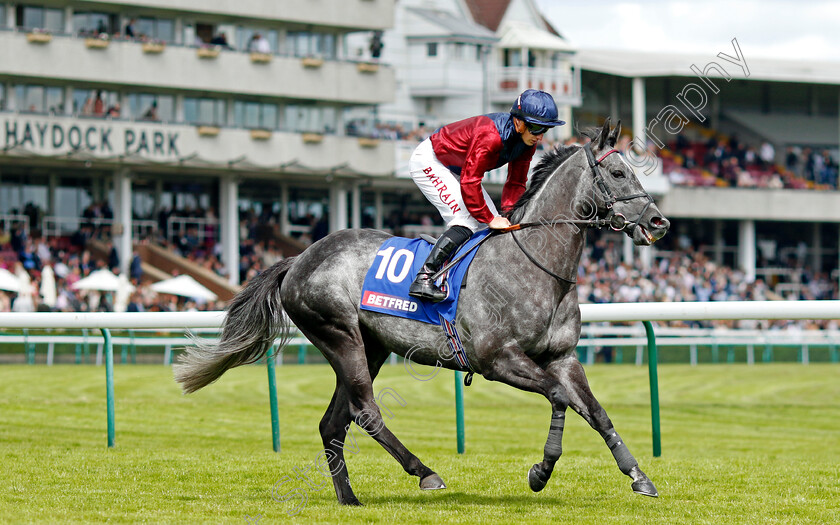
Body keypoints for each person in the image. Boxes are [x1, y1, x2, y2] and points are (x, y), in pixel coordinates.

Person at [407, 89, 565, 302]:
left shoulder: (527, 143)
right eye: (536, 127)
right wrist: (490, 218)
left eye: (545, 128)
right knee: (466, 221)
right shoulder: (490, 136)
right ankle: (424, 277)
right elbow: (470, 181)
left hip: (459, 169)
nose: (540, 135)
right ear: (518, 123)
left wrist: (510, 215)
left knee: (498, 228)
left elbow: (516, 182)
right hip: (432, 161)